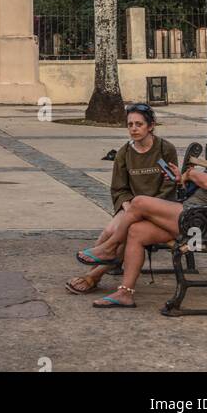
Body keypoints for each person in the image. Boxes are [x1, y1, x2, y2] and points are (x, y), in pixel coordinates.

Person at [90, 113, 207, 308]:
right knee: (136, 231)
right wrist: (182, 177)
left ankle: (110, 248)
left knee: (139, 203)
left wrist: (190, 173)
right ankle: (124, 293)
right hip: (198, 217)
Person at [66, 103, 178, 296]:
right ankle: (91, 271)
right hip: (131, 207)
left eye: (139, 124)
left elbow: (170, 185)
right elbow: (119, 188)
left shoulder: (165, 149)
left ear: (150, 126)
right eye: (130, 124)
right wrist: (129, 208)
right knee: (110, 230)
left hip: (160, 208)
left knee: (127, 232)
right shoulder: (124, 153)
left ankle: (93, 277)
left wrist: (147, 211)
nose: (134, 129)